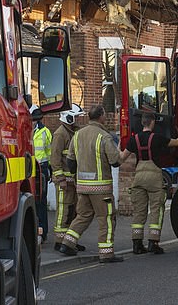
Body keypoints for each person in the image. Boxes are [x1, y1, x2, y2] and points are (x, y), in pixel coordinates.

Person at [58, 105, 123, 263]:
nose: (106, 117)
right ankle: (106, 253)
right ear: (101, 116)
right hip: (101, 189)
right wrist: (122, 151)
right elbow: (115, 161)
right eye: (105, 114)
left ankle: (67, 243)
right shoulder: (104, 136)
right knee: (106, 218)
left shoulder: (78, 135)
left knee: (83, 216)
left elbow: (71, 162)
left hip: (82, 187)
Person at [120, 112, 178, 254]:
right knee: (157, 209)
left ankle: (137, 244)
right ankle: (153, 243)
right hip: (154, 178)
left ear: (143, 122)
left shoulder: (133, 140)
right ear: (152, 122)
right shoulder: (157, 138)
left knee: (139, 212)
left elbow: (121, 157)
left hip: (139, 177)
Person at [50, 103, 86, 252]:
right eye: (76, 117)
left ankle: (70, 240)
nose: (77, 120)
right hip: (64, 182)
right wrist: (61, 179)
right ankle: (59, 241)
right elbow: (55, 159)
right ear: (68, 117)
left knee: (73, 211)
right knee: (63, 211)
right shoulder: (60, 134)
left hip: (73, 182)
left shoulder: (72, 132)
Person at [32, 106, 52, 243]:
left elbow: (50, 153)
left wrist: (50, 169)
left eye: (35, 120)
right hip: (28, 168)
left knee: (41, 203)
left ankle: (42, 232)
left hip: (42, 169)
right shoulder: (24, 129)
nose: (33, 122)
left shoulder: (45, 132)